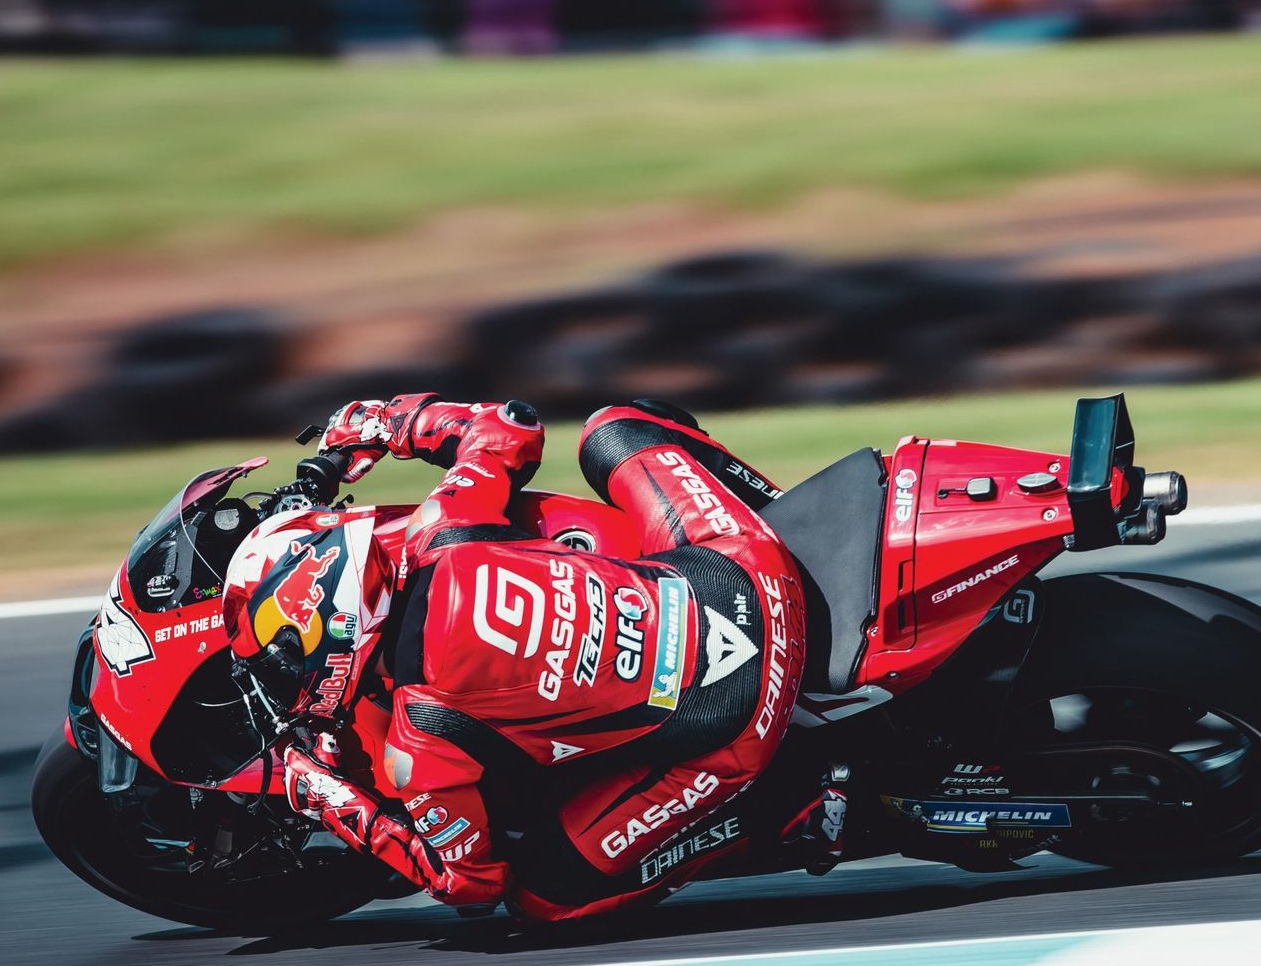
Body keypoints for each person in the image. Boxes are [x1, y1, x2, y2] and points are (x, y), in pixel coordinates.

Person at [224, 395, 830, 922]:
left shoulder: (424, 739)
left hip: (742, 726)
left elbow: (467, 885)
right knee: (618, 425)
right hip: (750, 566)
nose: (274, 670)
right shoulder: (446, 529)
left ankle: (790, 811)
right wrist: (383, 421)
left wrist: (324, 794)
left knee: (545, 901)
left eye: (280, 654)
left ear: (339, 639)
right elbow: (507, 427)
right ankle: (806, 536)